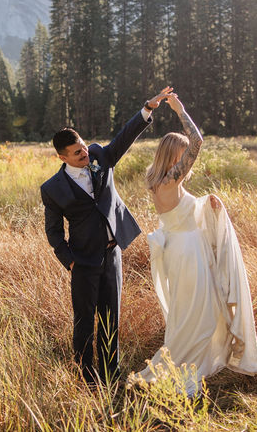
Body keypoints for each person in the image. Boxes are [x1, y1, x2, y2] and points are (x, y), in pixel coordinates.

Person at [129, 92, 257, 395]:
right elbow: (198, 141)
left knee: (189, 313)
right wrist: (180, 110)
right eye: (184, 155)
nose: (188, 160)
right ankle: (186, 369)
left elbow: (179, 211)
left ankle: (184, 362)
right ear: (176, 156)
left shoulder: (157, 180)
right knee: (199, 316)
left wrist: (206, 202)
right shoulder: (170, 179)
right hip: (189, 254)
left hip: (179, 251)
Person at [41, 86, 174, 386]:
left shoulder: (101, 156)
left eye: (84, 147)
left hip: (113, 254)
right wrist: (70, 262)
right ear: (62, 157)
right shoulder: (52, 189)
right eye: (76, 154)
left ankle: (110, 373)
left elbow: (123, 139)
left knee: (111, 320)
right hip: (83, 262)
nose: (84, 154)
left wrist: (147, 109)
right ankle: (86, 377)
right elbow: (53, 232)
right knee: (84, 323)